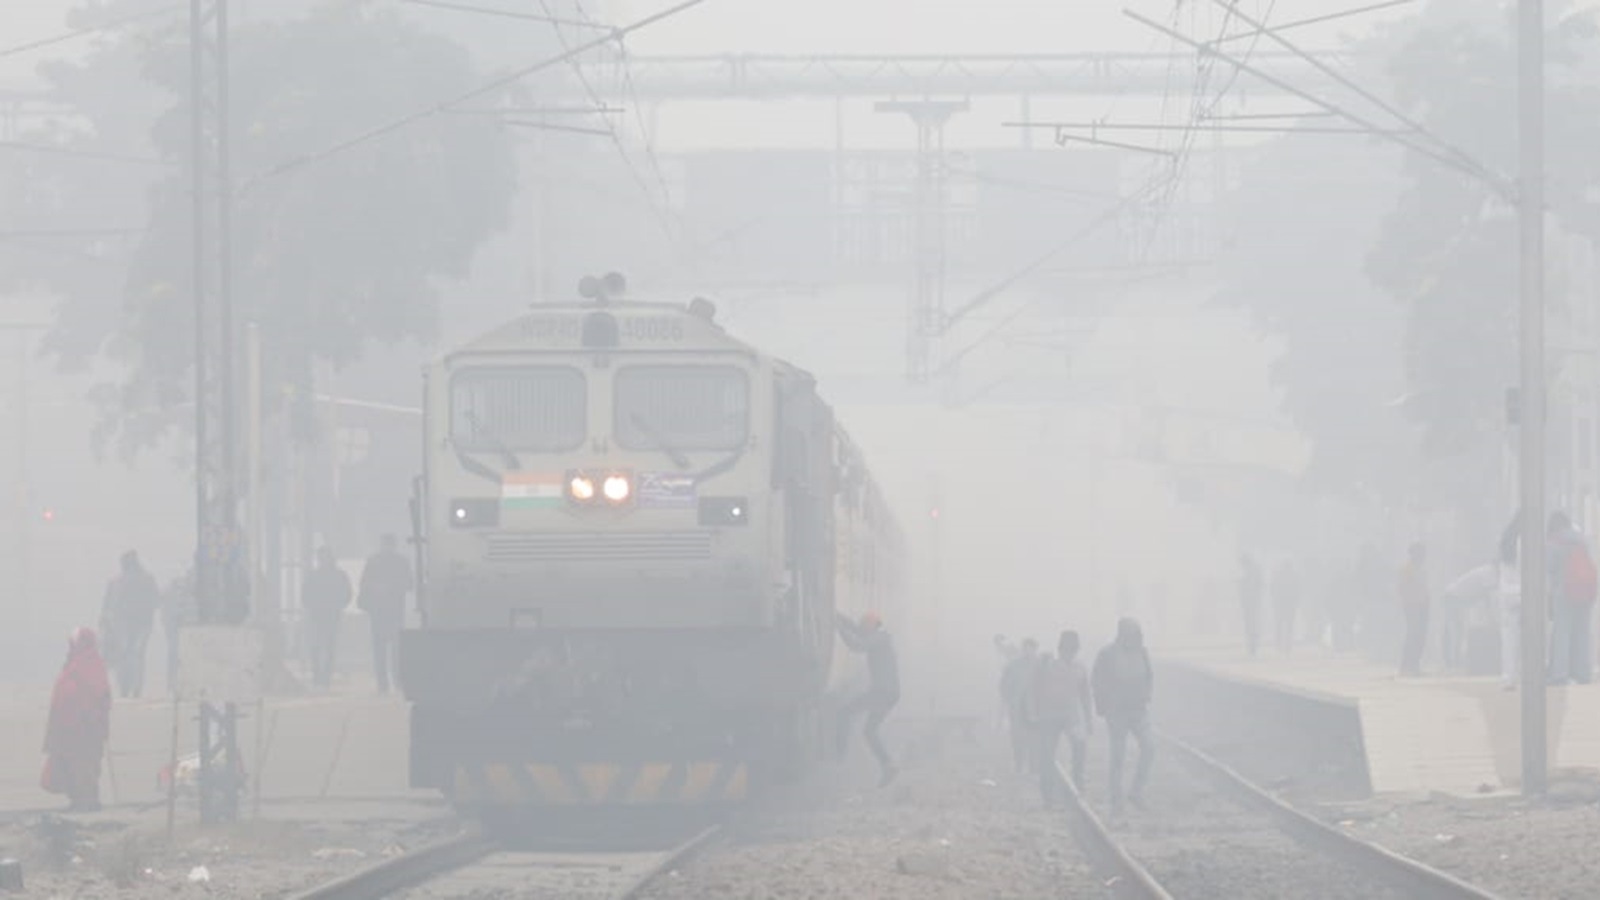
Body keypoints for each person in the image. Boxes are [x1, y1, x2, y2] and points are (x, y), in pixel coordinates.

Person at [43, 628, 112, 812]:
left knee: (84, 765)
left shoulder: (90, 665)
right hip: (70, 727)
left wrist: (90, 719)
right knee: (73, 764)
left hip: (84, 727)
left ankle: (86, 801)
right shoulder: (76, 663)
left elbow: (99, 696)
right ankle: (79, 799)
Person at [1092, 618, 1155, 816]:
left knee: (1150, 746)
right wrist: (1103, 706)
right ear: (1121, 634)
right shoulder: (1107, 654)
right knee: (1118, 756)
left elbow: (1149, 675)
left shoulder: (1142, 652)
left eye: (1136, 634)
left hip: (1138, 710)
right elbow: (1096, 680)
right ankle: (1116, 799)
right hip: (1116, 712)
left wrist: (1147, 694)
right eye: (1131, 633)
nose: (1134, 638)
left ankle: (1136, 791)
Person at [835, 610, 900, 787]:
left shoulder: (879, 638)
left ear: (871, 627)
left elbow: (857, 645)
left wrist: (839, 628)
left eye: (864, 627)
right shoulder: (879, 637)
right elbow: (857, 630)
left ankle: (839, 757)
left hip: (882, 692)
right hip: (888, 693)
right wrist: (839, 617)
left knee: (844, 713)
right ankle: (889, 765)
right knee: (869, 731)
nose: (862, 629)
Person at [1030, 630, 1093, 807]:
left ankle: (1078, 787)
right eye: (1066, 650)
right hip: (1049, 716)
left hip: (1071, 715)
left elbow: (1085, 695)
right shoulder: (1047, 665)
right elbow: (1035, 688)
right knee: (1047, 755)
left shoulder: (1080, 667)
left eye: (1072, 650)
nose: (1069, 654)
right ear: (1060, 650)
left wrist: (1088, 719)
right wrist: (1035, 712)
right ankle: (1048, 795)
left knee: (1079, 748)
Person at [99, 550, 161, 699]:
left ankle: (125, 687)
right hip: (142, 624)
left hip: (122, 624)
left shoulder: (116, 581)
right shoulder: (148, 579)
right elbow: (157, 600)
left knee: (124, 655)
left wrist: (105, 622)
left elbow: (107, 605)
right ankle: (136, 688)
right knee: (138, 655)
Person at [357, 535, 414, 694]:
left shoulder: (393, 562)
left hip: (389, 611)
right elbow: (364, 583)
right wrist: (377, 588)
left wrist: (387, 588)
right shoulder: (386, 562)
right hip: (383, 611)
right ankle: (386, 682)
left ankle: (393, 681)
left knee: (392, 648)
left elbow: (409, 584)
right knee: (383, 648)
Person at [1546, 512, 1596, 685]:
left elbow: (1549, 568)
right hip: (1586, 591)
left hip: (1565, 592)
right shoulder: (1582, 540)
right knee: (1582, 633)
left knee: (1562, 633)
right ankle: (1583, 673)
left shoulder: (1554, 541)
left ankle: (1559, 674)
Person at [302, 547, 353, 690]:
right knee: (317, 646)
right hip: (319, 615)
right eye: (321, 557)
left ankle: (325, 677)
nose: (323, 560)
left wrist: (338, 605)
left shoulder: (332, 575)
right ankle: (318, 676)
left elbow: (347, 593)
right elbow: (305, 595)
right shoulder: (317, 575)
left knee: (328, 647)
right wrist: (312, 606)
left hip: (330, 614)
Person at [1440, 562, 1497, 672]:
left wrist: (1491, 618)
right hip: (1453, 597)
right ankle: (1451, 662)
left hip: (1457, 598)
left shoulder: (1489, 572)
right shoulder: (1489, 572)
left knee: (1457, 630)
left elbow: (1487, 598)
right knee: (1454, 630)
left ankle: (1454, 660)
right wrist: (1492, 619)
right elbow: (1489, 597)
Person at [1000, 638, 1041, 774]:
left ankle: (1034, 767)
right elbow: (1004, 685)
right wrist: (1010, 700)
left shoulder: (1041, 665)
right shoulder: (1013, 666)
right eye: (1026, 648)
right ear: (1023, 649)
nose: (1029, 651)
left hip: (1035, 709)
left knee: (1034, 739)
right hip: (1017, 708)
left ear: (1035, 649)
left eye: (1032, 648)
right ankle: (1019, 765)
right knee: (1017, 738)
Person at [1397, 542, 1430, 676]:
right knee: (1413, 635)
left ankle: (1414, 665)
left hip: (1422, 606)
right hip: (1412, 607)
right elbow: (1403, 588)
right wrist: (1410, 603)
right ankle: (1407, 666)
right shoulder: (1407, 569)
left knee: (1420, 636)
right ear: (1413, 554)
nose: (1423, 556)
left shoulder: (1420, 569)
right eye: (1420, 553)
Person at [1497, 517, 1522, 691]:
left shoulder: (1507, 540)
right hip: (1524, 593)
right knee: (1528, 638)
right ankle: (1523, 675)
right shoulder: (1526, 540)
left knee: (1509, 639)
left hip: (1507, 594)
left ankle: (1509, 677)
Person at [1272, 562, 1299, 655]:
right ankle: (1287, 645)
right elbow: (1298, 590)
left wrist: (1275, 601)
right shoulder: (1294, 576)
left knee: (1279, 625)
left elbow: (1273, 589)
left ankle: (1279, 644)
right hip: (1290, 605)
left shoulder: (1278, 576)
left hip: (1281, 604)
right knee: (1288, 626)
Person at [1239, 554, 1263, 657]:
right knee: (1252, 624)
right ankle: (1252, 645)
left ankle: (1252, 645)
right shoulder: (1253, 571)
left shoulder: (1250, 572)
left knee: (1251, 624)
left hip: (1251, 602)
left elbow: (1255, 586)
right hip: (1252, 602)